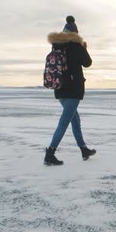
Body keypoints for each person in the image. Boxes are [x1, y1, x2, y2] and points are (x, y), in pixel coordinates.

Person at [44, 15, 95, 166]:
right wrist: (84, 47)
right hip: (73, 90)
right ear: (75, 33)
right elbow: (88, 63)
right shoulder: (76, 45)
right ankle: (50, 153)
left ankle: (83, 149)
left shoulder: (56, 45)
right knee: (65, 121)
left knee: (75, 119)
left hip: (60, 89)